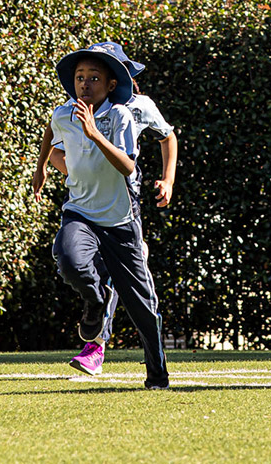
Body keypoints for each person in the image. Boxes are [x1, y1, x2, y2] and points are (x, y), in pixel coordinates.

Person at [30, 42, 177, 377]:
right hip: (81, 210)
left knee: (141, 301)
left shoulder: (128, 111)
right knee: (69, 258)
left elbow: (131, 164)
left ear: (114, 80)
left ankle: (157, 373)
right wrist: (47, 168)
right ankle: (96, 320)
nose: (85, 82)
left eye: (94, 76)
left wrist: (167, 180)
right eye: (80, 76)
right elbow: (53, 131)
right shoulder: (67, 110)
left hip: (122, 215)